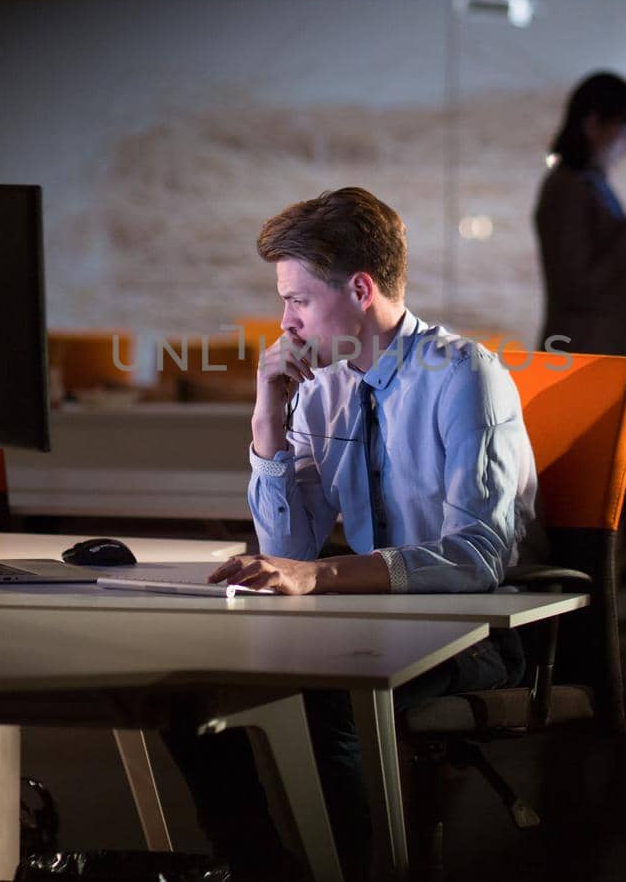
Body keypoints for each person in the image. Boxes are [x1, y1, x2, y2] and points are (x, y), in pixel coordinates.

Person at [168, 186, 539, 880]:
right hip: (370, 617)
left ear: (361, 288)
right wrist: (266, 420)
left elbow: (479, 555)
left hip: (479, 631)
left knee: (325, 695)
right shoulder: (322, 385)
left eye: (297, 299)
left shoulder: (465, 376)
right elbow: (293, 551)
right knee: (189, 689)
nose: (284, 319)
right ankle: (261, 867)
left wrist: (323, 577)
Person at [534, 71, 626, 359]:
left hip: (597, 354)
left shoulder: (591, 186)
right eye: (625, 131)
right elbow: (578, 287)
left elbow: (610, 266)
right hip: (582, 357)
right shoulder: (567, 188)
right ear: (593, 124)